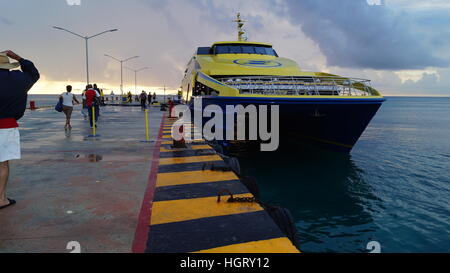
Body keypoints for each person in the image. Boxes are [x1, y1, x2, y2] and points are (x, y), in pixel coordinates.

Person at [0, 50, 40, 209]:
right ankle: (1, 199)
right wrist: (19, 58)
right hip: (6, 126)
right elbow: (34, 74)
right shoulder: (19, 79)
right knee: (2, 164)